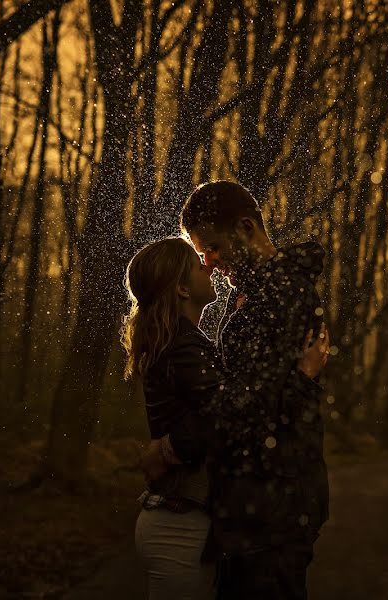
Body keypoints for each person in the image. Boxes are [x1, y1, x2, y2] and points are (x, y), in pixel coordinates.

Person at [145, 180, 331, 599]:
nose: (209, 262)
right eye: (200, 253)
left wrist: (173, 447)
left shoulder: (282, 293)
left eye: (212, 247)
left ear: (246, 228)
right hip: (254, 503)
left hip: (274, 505)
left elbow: (249, 403)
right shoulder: (250, 291)